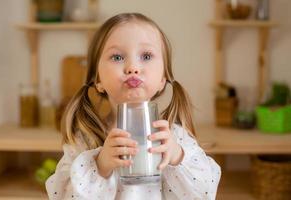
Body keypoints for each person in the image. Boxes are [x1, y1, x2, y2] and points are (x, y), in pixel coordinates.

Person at [46, 13, 221, 200]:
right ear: (98, 80)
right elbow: (62, 195)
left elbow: (205, 192)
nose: (132, 67)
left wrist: (177, 156)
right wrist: (100, 166)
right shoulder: (85, 141)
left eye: (146, 56)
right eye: (117, 57)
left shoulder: (174, 137)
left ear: (163, 79)